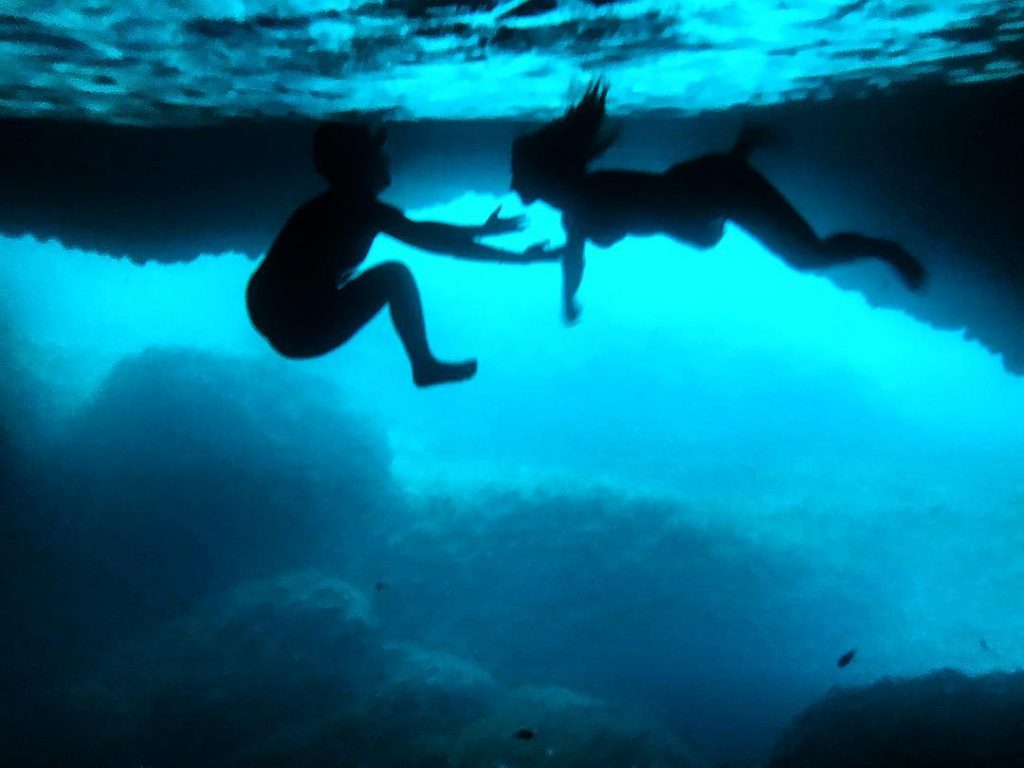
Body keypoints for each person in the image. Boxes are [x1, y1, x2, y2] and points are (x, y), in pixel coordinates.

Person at [510, 81, 926, 324]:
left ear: (548, 176)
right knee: (725, 222)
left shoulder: (581, 207)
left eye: (518, 177)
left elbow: (576, 258)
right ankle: (744, 146)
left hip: (718, 188)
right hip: (711, 187)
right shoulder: (581, 205)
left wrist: (567, 301)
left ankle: (885, 249)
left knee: (807, 257)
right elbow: (584, 250)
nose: (513, 187)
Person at [247, 122, 557, 387]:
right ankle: (423, 365)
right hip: (296, 327)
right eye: (376, 154)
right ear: (358, 166)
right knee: (393, 276)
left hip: (275, 315)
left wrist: (481, 231)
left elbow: (425, 232)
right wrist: (519, 257)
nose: (387, 159)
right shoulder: (357, 209)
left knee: (392, 274)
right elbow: (435, 241)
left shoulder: (342, 205)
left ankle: (424, 365)